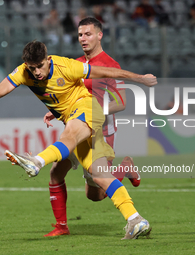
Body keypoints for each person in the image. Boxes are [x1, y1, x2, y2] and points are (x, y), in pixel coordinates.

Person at [0, 41, 157, 240]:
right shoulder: (23, 73)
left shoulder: (67, 66)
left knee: (69, 136)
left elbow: (108, 72)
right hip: (71, 118)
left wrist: (140, 78)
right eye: (32, 68)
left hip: (88, 108)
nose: (37, 72)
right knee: (93, 177)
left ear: (48, 60)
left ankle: (37, 161)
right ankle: (135, 220)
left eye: (40, 66)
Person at [42, 17, 141, 237]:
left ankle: (125, 166)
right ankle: (61, 227)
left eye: (88, 34)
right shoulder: (77, 64)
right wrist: (57, 111)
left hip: (101, 132)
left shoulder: (111, 66)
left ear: (99, 35)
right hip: (77, 130)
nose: (83, 39)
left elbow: (121, 102)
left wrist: (93, 111)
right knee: (56, 172)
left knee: (95, 194)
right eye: (80, 35)